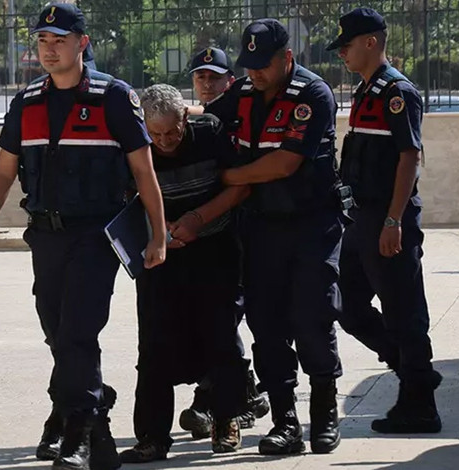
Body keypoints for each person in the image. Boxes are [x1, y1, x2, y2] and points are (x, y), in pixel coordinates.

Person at [0, 4, 167, 470]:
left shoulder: (113, 97)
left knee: (78, 332)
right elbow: (3, 171)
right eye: (43, 40)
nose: (49, 50)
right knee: (57, 334)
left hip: (95, 236)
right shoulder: (26, 102)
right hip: (46, 237)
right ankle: (96, 407)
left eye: (59, 40)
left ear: (82, 43)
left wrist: (158, 234)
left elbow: (144, 171)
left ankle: (76, 434)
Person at [207, 18, 345, 455]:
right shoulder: (243, 93)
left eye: (263, 64)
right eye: (249, 65)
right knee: (266, 325)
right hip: (260, 227)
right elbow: (207, 121)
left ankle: (324, 410)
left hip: (311, 226)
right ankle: (285, 421)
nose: (255, 73)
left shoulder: (313, 94)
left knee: (311, 317)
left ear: (287, 57)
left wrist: (229, 177)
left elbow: (285, 163)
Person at [120, 84, 250, 463]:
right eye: (155, 134)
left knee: (221, 336)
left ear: (185, 119)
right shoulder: (133, 143)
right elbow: (125, 199)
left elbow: (239, 187)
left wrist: (197, 219)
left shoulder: (210, 133)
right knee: (154, 345)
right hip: (159, 254)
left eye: (172, 132)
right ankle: (152, 437)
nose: (164, 142)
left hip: (213, 247)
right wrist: (158, 231)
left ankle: (225, 420)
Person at [328, 7, 442, 434]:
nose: (342, 53)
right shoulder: (366, 91)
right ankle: (413, 371)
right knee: (347, 303)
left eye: (347, 45)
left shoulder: (397, 92)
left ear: (371, 42)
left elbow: (409, 157)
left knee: (403, 311)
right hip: (361, 218)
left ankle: (420, 406)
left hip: (387, 216)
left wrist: (393, 221)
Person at [178, 45, 271, 439]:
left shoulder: (238, 111)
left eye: (214, 77)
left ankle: (218, 400)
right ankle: (241, 393)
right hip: (210, 229)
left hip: (244, 223)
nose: (207, 83)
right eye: (200, 77)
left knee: (227, 314)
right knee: (212, 316)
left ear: (229, 81)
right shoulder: (195, 122)